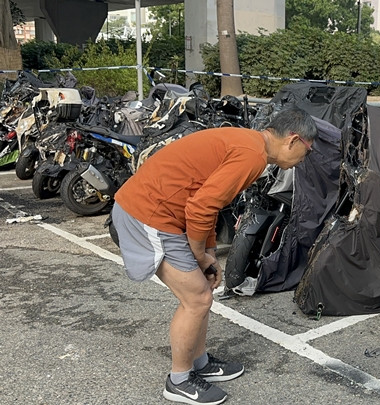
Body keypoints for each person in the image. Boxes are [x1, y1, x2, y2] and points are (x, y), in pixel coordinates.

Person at [111, 106, 317, 405]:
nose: (303, 160)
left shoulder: (250, 145)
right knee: (197, 297)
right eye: (307, 151)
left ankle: (200, 363)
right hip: (148, 213)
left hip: (164, 212)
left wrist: (208, 252)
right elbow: (200, 207)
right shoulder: (253, 155)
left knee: (202, 288)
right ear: (293, 140)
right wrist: (199, 255)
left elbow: (207, 200)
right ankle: (179, 380)